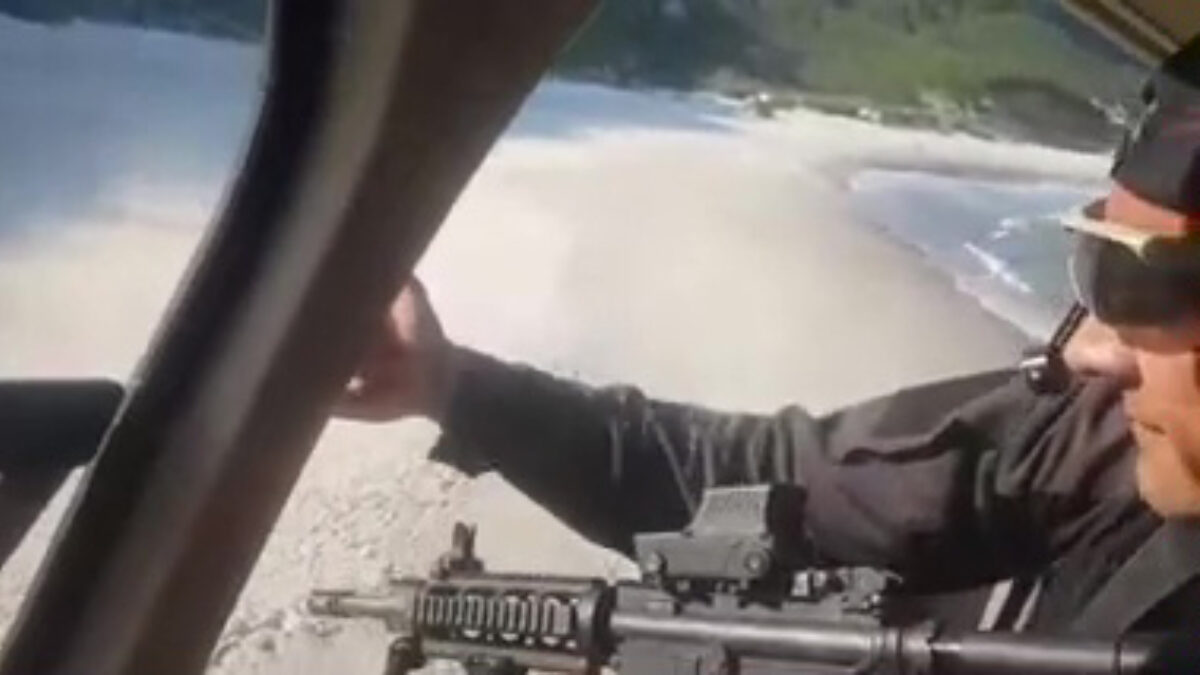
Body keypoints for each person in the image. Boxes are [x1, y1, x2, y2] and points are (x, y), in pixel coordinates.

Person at [337, 41, 1200, 634]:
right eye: (1096, 268)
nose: (1098, 348)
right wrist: (450, 385)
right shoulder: (1097, 442)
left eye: (1146, 286)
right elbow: (762, 483)